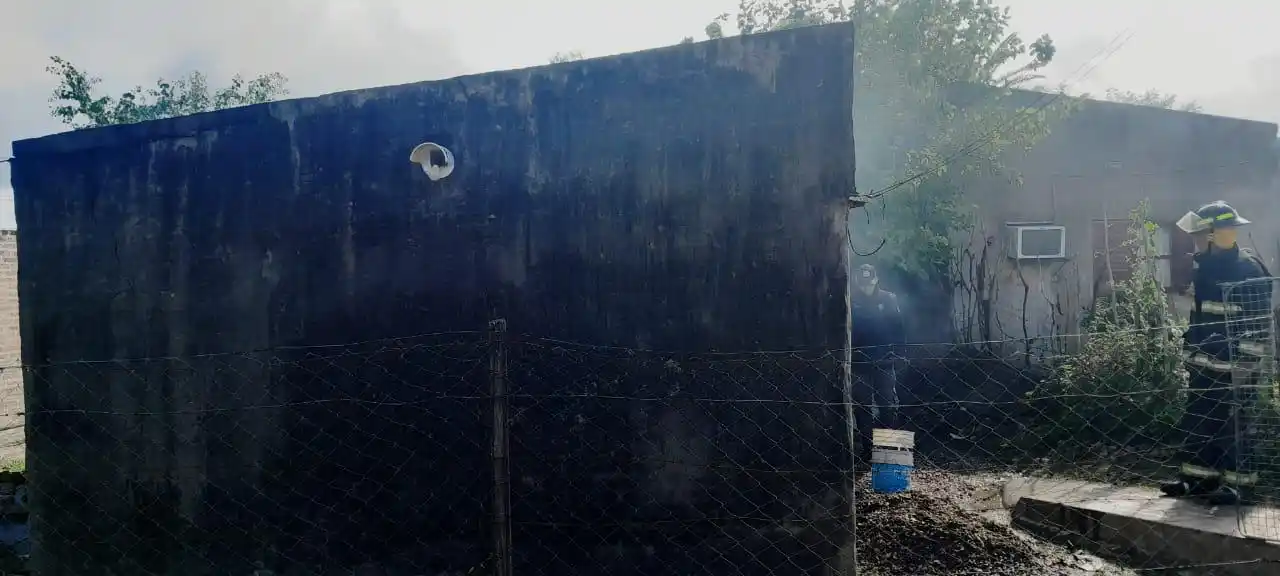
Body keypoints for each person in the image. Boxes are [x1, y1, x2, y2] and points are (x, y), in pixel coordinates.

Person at [1161, 201, 1272, 505]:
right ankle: (1197, 481)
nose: (1194, 240)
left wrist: (1246, 365)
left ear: (1213, 235)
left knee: (1234, 426)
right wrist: (1192, 355)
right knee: (1199, 421)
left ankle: (1239, 487)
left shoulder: (1248, 270)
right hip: (1204, 365)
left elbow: (1258, 324)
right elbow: (1199, 318)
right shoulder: (1206, 269)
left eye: (1199, 234)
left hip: (1236, 368)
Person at [850, 263, 906, 467]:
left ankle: (889, 453)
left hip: (885, 359)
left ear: (876, 279)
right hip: (858, 362)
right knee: (862, 407)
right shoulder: (851, 300)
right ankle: (868, 451)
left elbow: (898, 328)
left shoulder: (888, 299)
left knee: (888, 405)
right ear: (858, 282)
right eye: (863, 282)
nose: (866, 286)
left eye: (870, 281)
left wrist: (900, 353)